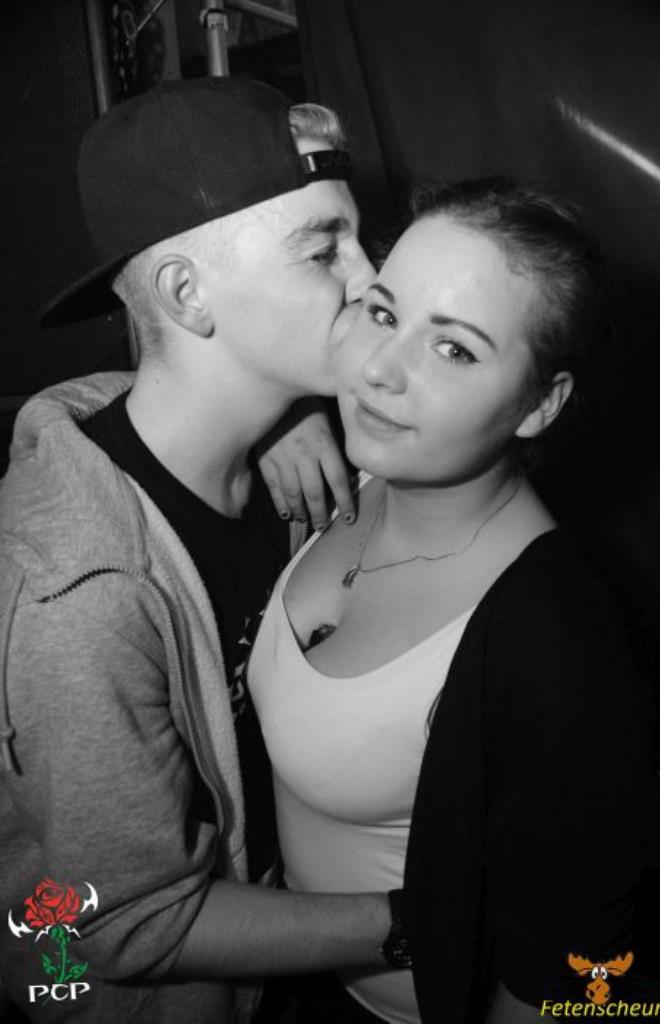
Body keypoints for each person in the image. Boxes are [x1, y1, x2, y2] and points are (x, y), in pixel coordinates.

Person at [0, 77, 402, 1024]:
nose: (371, 277)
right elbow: (134, 925)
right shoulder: (77, 592)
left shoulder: (291, 448)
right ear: (187, 294)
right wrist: (431, 916)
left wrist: (292, 411)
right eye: (324, 250)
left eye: (360, 238)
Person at [248, 178, 653, 1023]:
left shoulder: (553, 648)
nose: (379, 370)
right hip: (282, 974)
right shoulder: (353, 469)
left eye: (455, 350)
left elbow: (567, 979)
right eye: (384, 313)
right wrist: (276, 416)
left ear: (540, 403)